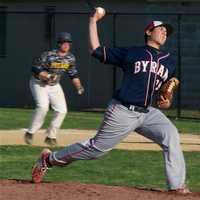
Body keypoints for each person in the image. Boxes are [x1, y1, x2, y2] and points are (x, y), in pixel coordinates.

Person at [31, 9, 190, 194]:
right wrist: (93, 20)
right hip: (123, 110)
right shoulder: (133, 52)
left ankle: (176, 186)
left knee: (170, 135)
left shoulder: (169, 62)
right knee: (96, 149)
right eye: (160, 29)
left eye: (166, 32)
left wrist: (166, 101)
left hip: (148, 113)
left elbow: (168, 89)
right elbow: (96, 50)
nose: (164, 33)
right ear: (148, 32)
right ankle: (49, 159)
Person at [24, 32, 84, 146]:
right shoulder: (48, 54)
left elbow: (73, 74)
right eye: (63, 42)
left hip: (54, 85)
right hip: (39, 83)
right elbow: (35, 68)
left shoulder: (70, 57)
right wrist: (47, 76)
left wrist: (79, 87)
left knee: (62, 110)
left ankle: (50, 136)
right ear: (59, 44)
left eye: (68, 43)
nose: (66, 45)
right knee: (42, 107)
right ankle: (30, 133)